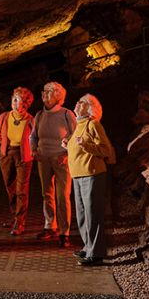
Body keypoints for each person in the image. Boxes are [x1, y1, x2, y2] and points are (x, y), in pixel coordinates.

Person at [65, 94, 115, 266]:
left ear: (90, 107)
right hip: (77, 175)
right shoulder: (78, 125)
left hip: (92, 174)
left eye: (81, 102)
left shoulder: (93, 124)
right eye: (78, 101)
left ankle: (97, 253)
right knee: (82, 215)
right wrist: (68, 145)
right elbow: (78, 146)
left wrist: (85, 146)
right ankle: (88, 247)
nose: (77, 104)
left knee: (93, 214)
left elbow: (105, 149)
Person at [30, 82, 77, 247]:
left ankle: (65, 233)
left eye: (48, 93)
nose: (44, 95)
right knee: (46, 194)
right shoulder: (39, 115)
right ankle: (50, 226)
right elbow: (33, 135)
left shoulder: (66, 115)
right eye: (44, 92)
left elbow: (76, 136)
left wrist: (67, 153)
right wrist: (34, 150)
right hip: (44, 159)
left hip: (61, 159)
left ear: (57, 97)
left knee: (62, 196)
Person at [0, 87, 35, 236]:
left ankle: (20, 222)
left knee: (21, 190)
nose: (17, 105)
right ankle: (14, 216)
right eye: (15, 100)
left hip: (24, 156)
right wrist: (5, 148)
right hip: (7, 154)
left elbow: (34, 139)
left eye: (21, 103)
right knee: (9, 187)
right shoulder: (4, 117)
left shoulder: (31, 120)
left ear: (26, 105)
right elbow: (0, 134)